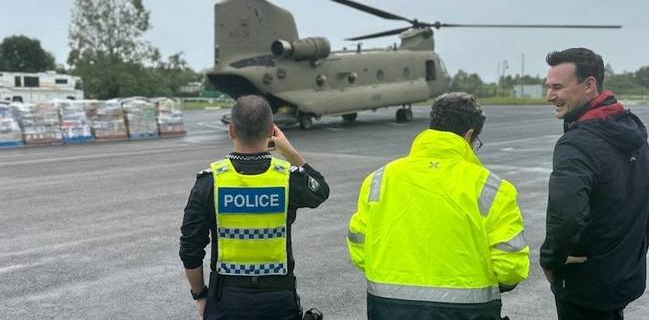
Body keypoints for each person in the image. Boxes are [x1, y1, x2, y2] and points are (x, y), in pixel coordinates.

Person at [347, 92, 529, 320]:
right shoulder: (493, 188)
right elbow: (510, 266)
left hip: (388, 309)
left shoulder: (379, 179)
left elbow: (359, 246)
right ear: (470, 136)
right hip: (466, 312)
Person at [179, 95, 330, 320]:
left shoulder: (209, 183)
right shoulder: (287, 178)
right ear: (271, 131)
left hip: (226, 301)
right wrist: (289, 151)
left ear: (231, 131)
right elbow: (321, 191)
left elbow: (190, 249)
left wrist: (200, 295)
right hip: (279, 300)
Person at [541, 47, 649, 320]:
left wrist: (551, 262)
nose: (549, 96)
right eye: (548, 87)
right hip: (624, 277)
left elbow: (565, 217)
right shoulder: (632, 130)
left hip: (586, 285)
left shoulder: (576, 144)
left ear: (589, 85)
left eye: (557, 87)